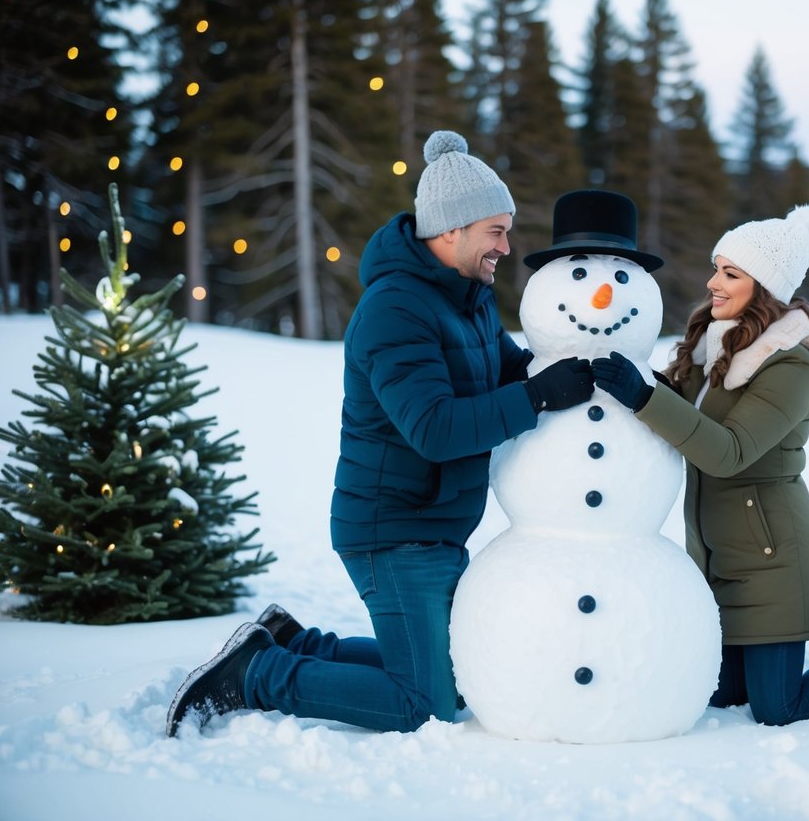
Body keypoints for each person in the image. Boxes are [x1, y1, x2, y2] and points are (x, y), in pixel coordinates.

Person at [166, 130, 594, 737]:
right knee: (423, 703)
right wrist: (537, 397)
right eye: (496, 230)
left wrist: (566, 369)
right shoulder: (396, 308)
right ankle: (257, 675)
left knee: (455, 670)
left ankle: (294, 642)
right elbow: (435, 429)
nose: (507, 244)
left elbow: (506, 370)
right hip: (392, 531)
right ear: (452, 230)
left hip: (432, 525)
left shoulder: (466, 297)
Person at [591, 205, 809, 726]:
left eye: (730, 273)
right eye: (716, 268)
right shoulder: (715, 342)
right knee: (724, 700)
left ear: (766, 286)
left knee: (776, 709)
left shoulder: (791, 364)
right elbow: (675, 411)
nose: (713, 283)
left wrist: (643, 396)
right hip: (715, 557)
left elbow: (727, 451)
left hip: (771, 557)